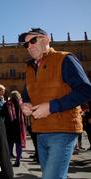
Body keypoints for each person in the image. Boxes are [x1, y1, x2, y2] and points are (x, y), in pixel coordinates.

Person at [19, 28, 91, 179]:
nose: (29, 46)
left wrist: (52, 106)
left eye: (33, 40)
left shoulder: (64, 59)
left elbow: (86, 90)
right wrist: (25, 104)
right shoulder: (30, 68)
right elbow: (27, 94)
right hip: (40, 132)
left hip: (63, 130)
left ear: (46, 39)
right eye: (26, 45)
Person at [2, 90, 26, 167]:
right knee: (18, 144)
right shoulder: (22, 104)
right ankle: (18, 160)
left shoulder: (6, 104)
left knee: (9, 144)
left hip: (9, 127)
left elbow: (2, 114)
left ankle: (8, 160)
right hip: (19, 127)